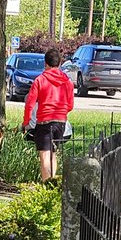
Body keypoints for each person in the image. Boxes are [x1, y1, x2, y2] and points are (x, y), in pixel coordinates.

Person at [22, 49, 75, 181]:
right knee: (53, 154)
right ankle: (53, 183)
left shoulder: (40, 80)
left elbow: (30, 104)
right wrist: (61, 112)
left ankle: (46, 184)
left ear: (45, 63)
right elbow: (70, 105)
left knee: (44, 155)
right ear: (60, 63)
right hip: (60, 122)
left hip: (44, 122)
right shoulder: (67, 81)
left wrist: (26, 122)